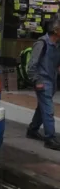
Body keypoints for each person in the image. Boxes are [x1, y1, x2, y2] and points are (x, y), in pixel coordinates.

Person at [26, 19, 60, 150]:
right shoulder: (42, 43)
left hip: (52, 80)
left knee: (42, 108)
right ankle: (50, 138)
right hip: (43, 81)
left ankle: (32, 130)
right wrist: (37, 80)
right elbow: (32, 65)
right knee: (48, 109)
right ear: (56, 31)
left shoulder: (58, 45)